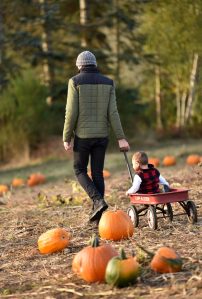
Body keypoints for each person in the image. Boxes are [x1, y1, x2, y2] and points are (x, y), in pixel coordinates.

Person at [63, 50, 130, 222]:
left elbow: (71, 112)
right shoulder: (108, 82)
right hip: (102, 136)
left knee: (79, 170)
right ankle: (99, 211)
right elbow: (113, 112)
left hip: (83, 137)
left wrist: (67, 136)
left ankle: (98, 201)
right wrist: (121, 137)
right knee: (98, 173)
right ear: (95, 64)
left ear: (79, 65)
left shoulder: (74, 81)